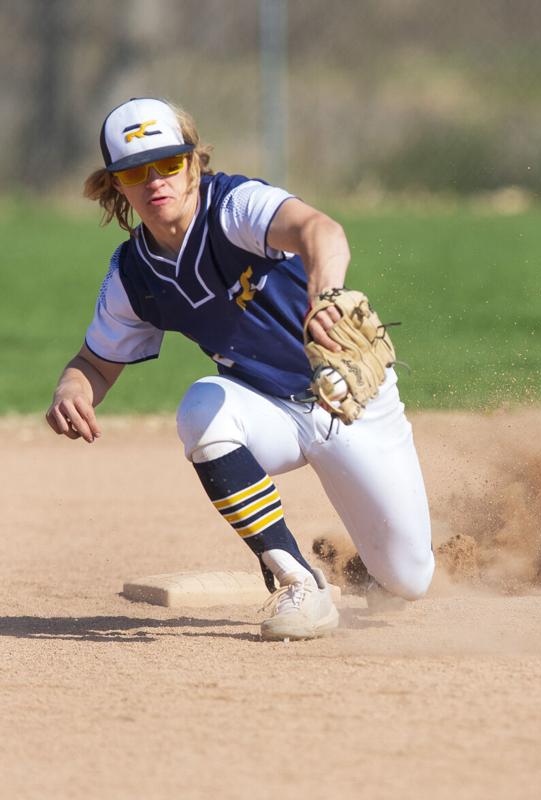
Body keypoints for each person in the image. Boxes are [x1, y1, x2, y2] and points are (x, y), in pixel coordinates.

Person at [45, 97, 435, 641]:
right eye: (135, 171)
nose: (155, 180)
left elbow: (322, 231)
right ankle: (299, 581)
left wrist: (326, 295)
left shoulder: (234, 208)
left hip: (350, 398)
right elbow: (95, 361)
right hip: (267, 408)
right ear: (116, 185)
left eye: (169, 163)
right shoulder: (134, 274)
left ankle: (376, 565)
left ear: (194, 163)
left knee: (410, 579)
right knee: (203, 411)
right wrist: (72, 387)